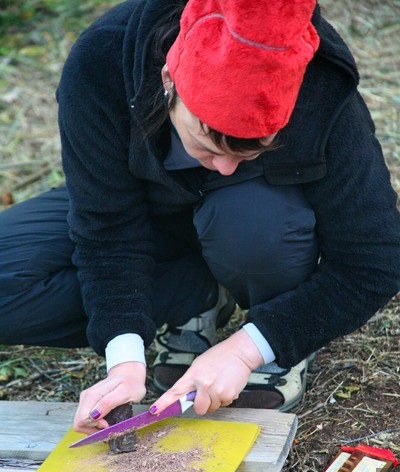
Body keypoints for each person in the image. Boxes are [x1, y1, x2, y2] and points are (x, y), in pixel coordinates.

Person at [0, 0, 399, 435]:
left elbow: (374, 262)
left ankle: (271, 320)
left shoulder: (318, 82)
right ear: (169, 81)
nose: (224, 166)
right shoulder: (101, 62)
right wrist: (124, 358)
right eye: (207, 146)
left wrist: (248, 349)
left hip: (253, 219)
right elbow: (106, 226)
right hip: (145, 210)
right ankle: (195, 297)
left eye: (249, 152)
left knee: (256, 225)